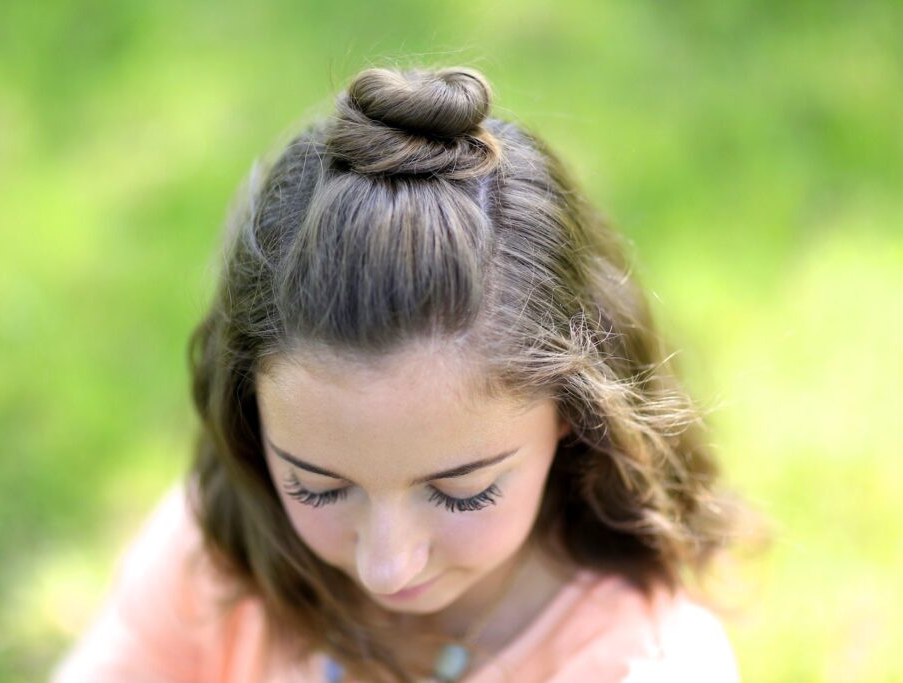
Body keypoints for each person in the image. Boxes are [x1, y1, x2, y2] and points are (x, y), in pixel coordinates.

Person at [51, 65, 742, 682]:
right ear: (249, 419)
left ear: (573, 413)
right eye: (317, 487)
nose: (389, 564)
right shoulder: (224, 548)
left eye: (462, 492)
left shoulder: (643, 665)